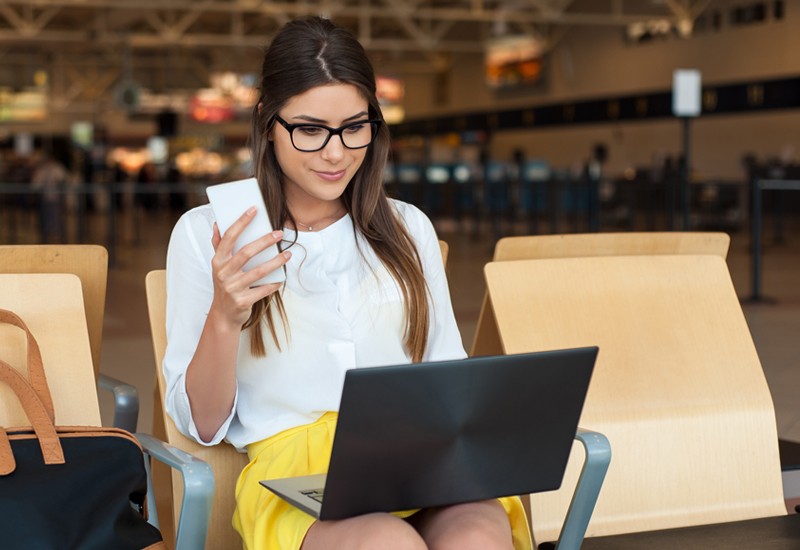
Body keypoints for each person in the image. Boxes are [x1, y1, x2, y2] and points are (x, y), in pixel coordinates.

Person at [163, 16, 532, 550]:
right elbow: (201, 423)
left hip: (417, 453)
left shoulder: (407, 227)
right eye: (310, 130)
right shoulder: (208, 234)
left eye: (355, 127)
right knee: (388, 543)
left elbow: (446, 374)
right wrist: (224, 316)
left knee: (478, 536)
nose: (336, 153)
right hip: (296, 475)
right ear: (267, 122)